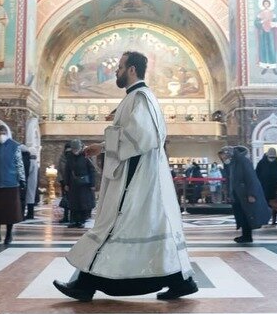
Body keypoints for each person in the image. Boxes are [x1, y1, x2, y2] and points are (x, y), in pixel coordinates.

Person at [53, 51, 198, 301]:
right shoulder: (136, 98)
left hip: (135, 179)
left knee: (115, 225)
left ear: (132, 69)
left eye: (119, 67)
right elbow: (130, 135)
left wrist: (107, 143)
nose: (116, 71)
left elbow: (141, 138)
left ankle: (84, 285)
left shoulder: (140, 97)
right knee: (135, 227)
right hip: (138, 176)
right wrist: (102, 145)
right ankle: (181, 282)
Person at [220, 145, 271, 243]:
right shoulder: (231, 164)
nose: (223, 158)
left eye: (224, 156)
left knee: (247, 214)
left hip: (244, 193)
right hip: (237, 193)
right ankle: (245, 235)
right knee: (241, 214)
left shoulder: (243, 161)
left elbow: (251, 177)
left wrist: (252, 194)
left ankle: (247, 236)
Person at [63, 139, 96, 228]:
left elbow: (92, 170)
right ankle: (73, 221)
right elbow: (67, 170)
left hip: (84, 184)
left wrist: (92, 184)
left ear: (80, 148)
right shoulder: (69, 156)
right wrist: (66, 183)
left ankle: (81, 221)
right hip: (73, 183)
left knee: (83, 203)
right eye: (73, 149)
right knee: (73, 203)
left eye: (76, 149)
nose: (75, 151)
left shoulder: (86, 155)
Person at [255, 147, 277, 226]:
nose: (272, 159)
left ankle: (274, 219)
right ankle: (265, 218)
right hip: (264, 186)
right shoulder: (261, 163)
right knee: (265, 203)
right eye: (271, 157)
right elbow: (257, 174)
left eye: (273, 157)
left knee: (275, 204)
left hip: (275, 187)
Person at [57, 141, 72, 223]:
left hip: (71, 181)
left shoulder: (69, 156)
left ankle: (71, 217)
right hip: (64, 181)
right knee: (66, 199)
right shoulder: (63, 157)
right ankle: (66, 216)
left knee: (71, 199)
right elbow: (61, 169)